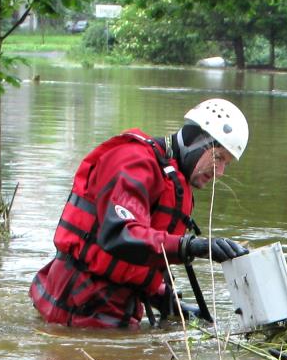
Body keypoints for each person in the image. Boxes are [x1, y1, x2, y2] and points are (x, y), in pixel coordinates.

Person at [29, 98, 251, 329]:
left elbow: (136, 262)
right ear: (197, 141)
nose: (220, 172)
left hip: (109, 308)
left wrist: (164, 300)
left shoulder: (170, 177)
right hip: (80, 308)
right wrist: (191, 246)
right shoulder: (134, 161)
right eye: (218, 157)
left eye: (227, 163)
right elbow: (119, 235)